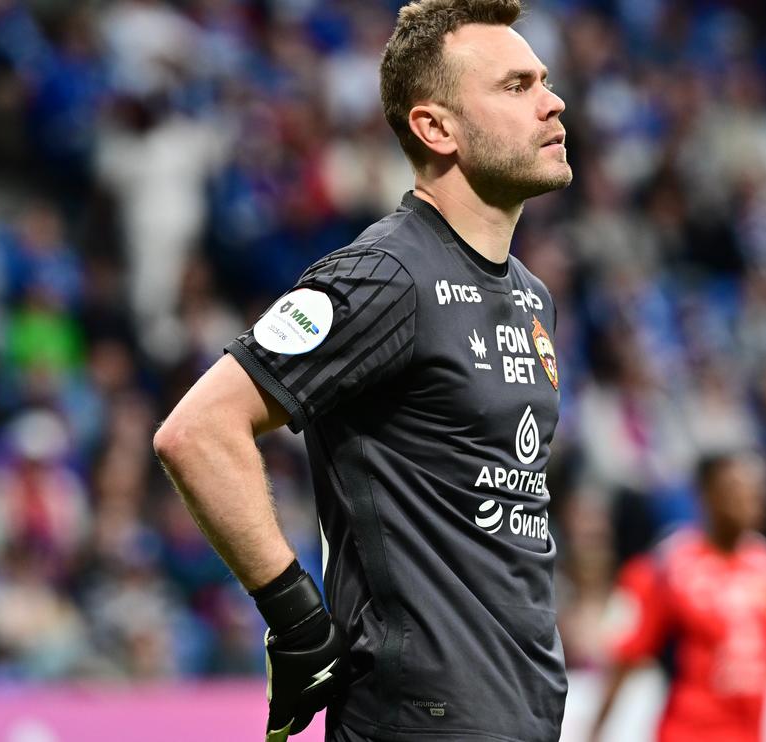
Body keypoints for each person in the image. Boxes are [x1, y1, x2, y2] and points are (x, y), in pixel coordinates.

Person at [153, 1, 572, 740]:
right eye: (515, 86)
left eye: (542, 80)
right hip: (415, 721)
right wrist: (295, 616)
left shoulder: (531, 296)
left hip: (519, 714)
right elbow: (198, 430)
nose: (552, 101)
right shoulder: (385, 276)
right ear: (435, 128)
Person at [588, 452, 766, 742]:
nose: (749, 500)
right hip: (685, 734)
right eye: (735, 490)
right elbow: (623, 658)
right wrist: (595, 731)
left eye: (755, 490)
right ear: (707, 496)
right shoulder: (668, 567)